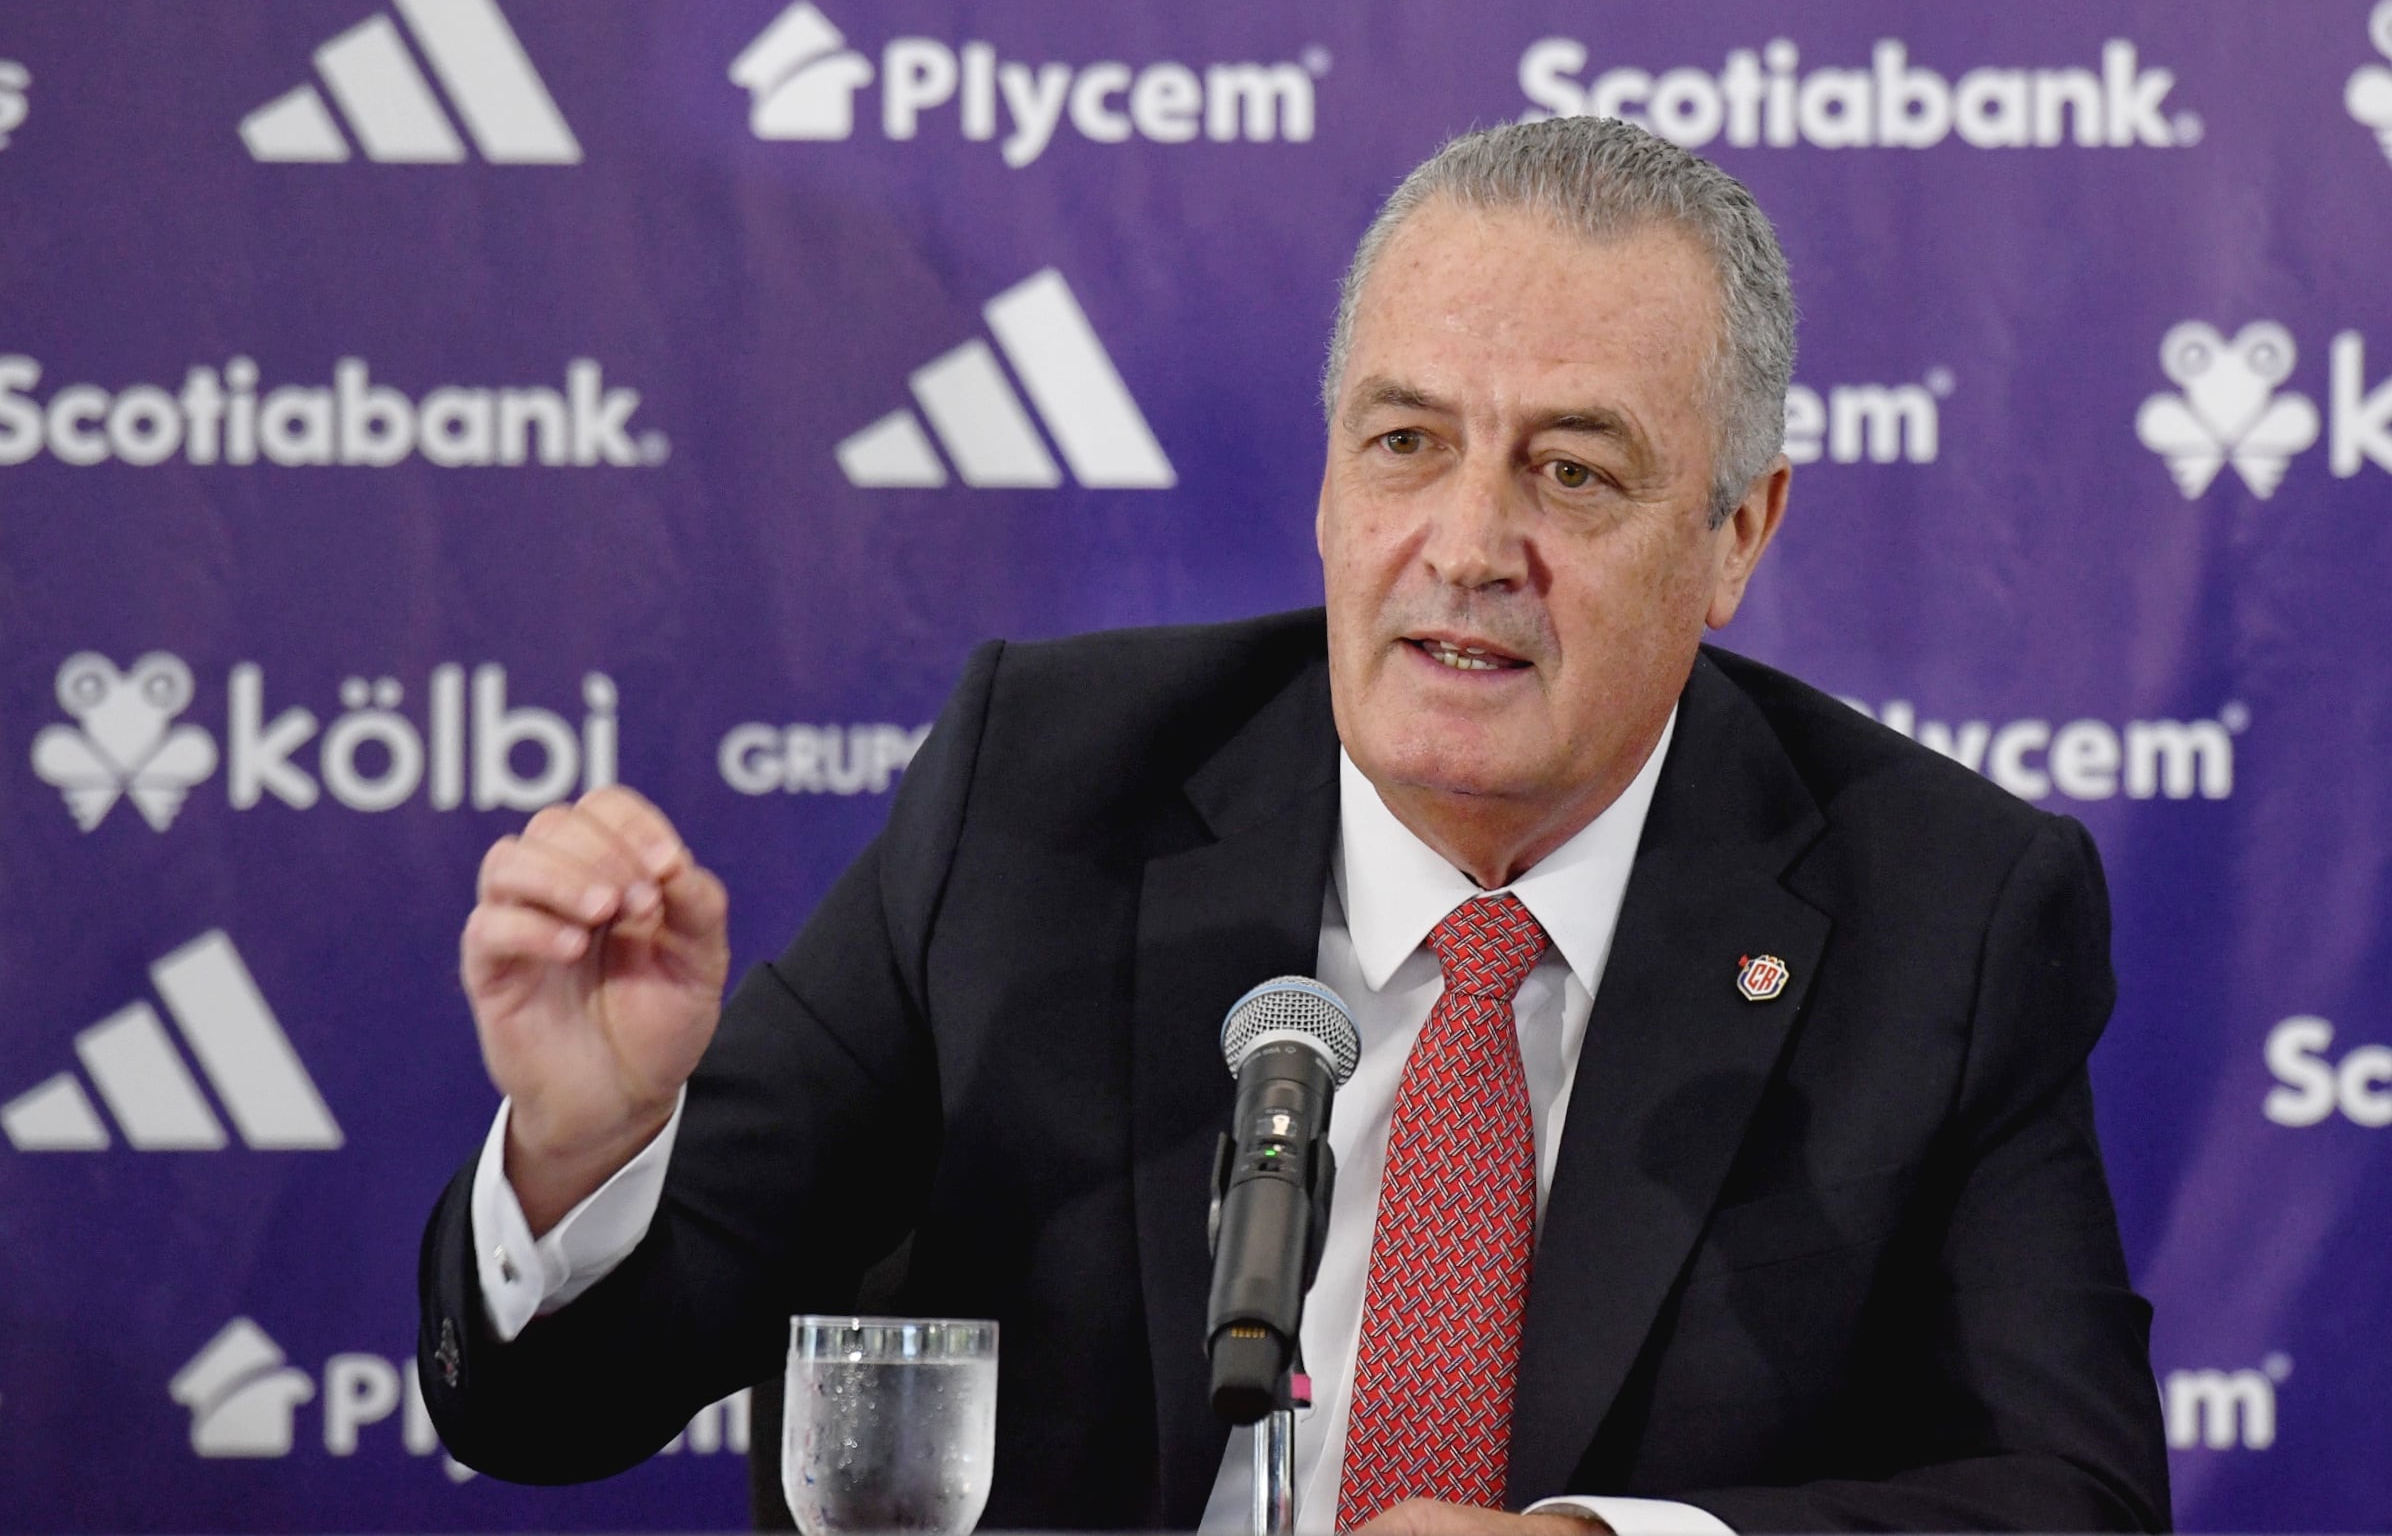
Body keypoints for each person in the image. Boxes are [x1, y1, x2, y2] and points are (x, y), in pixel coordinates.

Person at [419, 116, 2171, 1535]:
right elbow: (560, 1412)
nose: (1470, 543)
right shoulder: (1039, 792)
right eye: (1408, 441)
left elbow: (2073, 1501)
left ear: (1736, 533)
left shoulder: (1947, 910)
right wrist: (588, 1153)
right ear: (1331, 482)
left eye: (1574, 469)